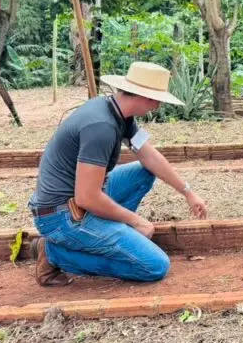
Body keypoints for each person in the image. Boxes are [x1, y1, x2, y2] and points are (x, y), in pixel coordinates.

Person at [27, 62, 209, 285]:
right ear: (148, 98)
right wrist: (136, 220)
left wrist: (188, 192)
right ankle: (54, 253)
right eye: (158, 100)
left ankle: (109, 234)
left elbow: (149, 156)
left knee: (144, 172)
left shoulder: (117, 113)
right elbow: (87, 197)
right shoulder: (101, 127)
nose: (158, 106)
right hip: (61, 216)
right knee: (155, 266)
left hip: (78, 200)